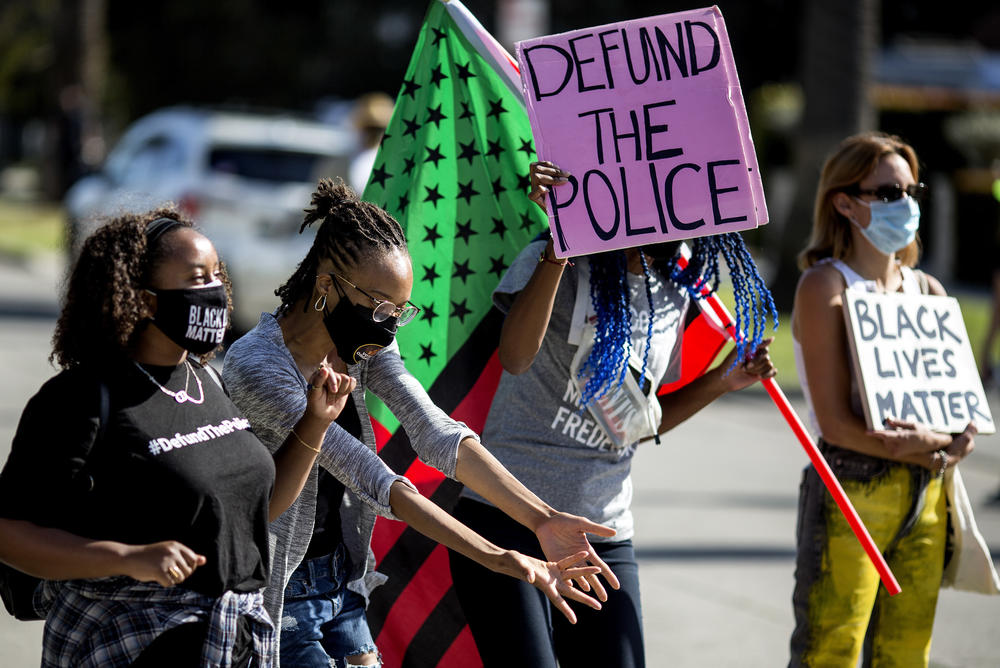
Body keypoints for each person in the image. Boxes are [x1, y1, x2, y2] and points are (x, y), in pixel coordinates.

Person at [222, 178, 614, 668]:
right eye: (378, 306)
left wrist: (541, 519)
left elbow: (434, 430)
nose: (386, 325)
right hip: (277, 587)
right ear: (326, 286)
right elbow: (371, 476)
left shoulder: (363, 343)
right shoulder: (257, 365)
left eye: (398, 311)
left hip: (342, 579)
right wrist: (496, 555)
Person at [448, 161, 779, 668]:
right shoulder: (554, 255)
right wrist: (558, 254)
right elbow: (514, 358)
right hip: (507, 517)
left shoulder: (674, 287)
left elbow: (631, 426)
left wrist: (722, 381)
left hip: (602, 535)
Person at [0, 210, 357, 667]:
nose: (214, 291)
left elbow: (253, 511)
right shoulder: (81, 399)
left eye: (216, 275)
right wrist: (128, 557)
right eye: (196, 278)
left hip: (233, 640)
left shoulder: (204, 378)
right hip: (133, 641)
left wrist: (315, 422)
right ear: (144, 300)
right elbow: (8, 533)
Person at [789, 132, 978, 667]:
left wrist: (938, 447)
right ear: (844, 202)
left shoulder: (930, 292)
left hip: (928, 495)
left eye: (910, 190)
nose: (906, 204)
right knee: (831, 650)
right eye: (889, 193)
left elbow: (966, 420)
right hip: (850, 489)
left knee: (906, 654)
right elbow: (834, 425)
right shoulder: (824, 287)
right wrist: (930, 447)